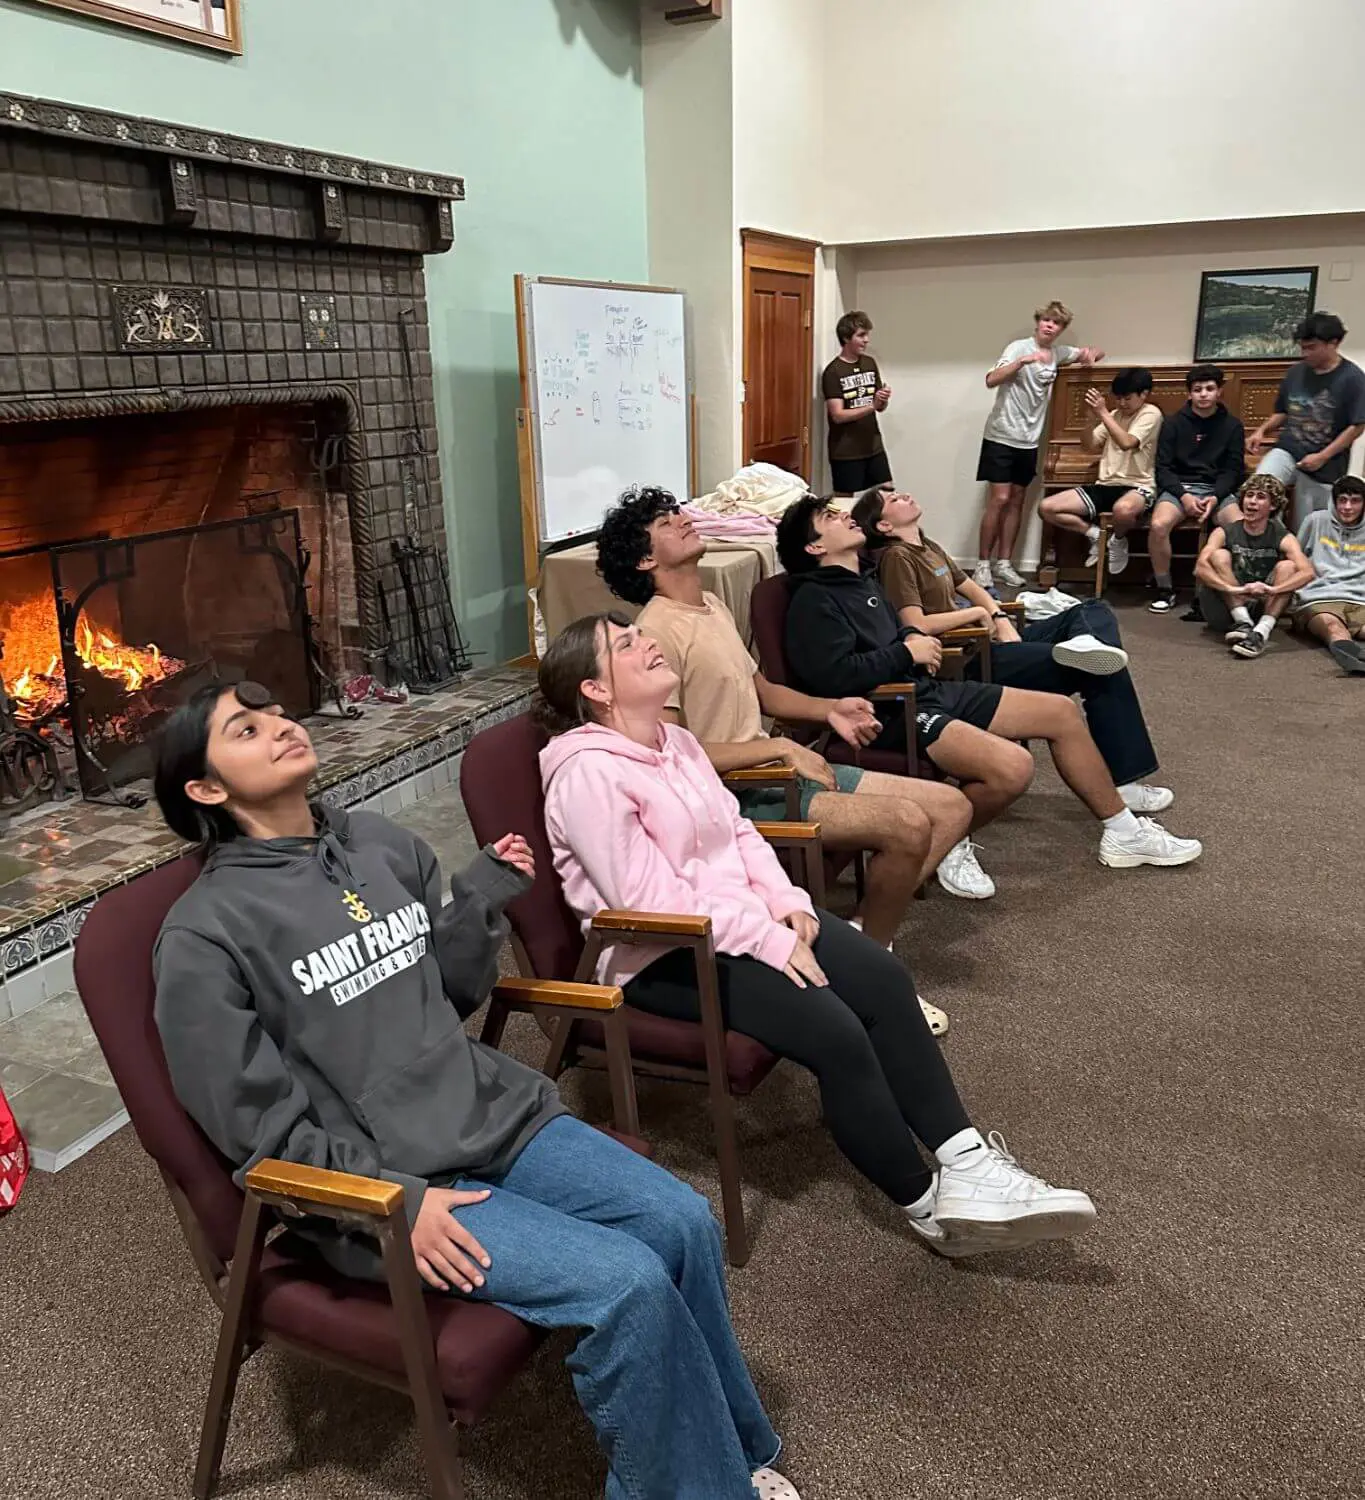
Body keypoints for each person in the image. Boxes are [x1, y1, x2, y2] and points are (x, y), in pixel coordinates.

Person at [151, 680, 801, 1500]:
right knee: (626, 1285)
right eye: (246, 730)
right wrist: (395, 1200)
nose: (281, 726)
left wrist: (477, 901)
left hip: (487, 1114)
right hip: (387, 1187)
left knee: (681, 1222)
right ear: (206, 789)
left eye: (276, 712)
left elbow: (451, 991)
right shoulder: (203, 935)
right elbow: (255, 1131)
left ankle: (730, 1456)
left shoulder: (378, 843)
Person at [538, 614, 1099, 1260]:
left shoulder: (676, 742)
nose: (647, 643)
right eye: (626, 644)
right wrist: (768, 939)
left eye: (640, 635)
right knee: (835, 1030)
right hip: (660, 952)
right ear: (596, 690)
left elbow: (738, 833)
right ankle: (930, 1209)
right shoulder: (586, 774)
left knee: (884, 980)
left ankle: (968, 1163)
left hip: (740, 921)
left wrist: (786, 901)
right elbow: (647, 902)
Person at [595, 486, 976, 934]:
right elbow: (670, 755)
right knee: (908, 823)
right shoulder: (656, 631)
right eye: (665, 523)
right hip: (736, 791)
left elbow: (764, 692)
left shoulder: (710, 605)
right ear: (645, 560)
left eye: (678, 513)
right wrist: (778, 748)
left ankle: (862, 934)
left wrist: (831, 709)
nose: (683, 519)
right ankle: (873, 945)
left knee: (953, 807)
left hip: (774, 770)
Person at [776, 494, 1203, 872]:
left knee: (1061, 712)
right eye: (829, 517)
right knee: (1013, 770)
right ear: (815, 546)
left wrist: (912, 639)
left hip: (928, 689)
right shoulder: (815, 599)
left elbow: (898, 630)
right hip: (891, 709)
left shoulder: (862, 579)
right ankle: (949, 838)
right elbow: (832, 676)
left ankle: (1124, 832)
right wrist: (907, 651)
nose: (844, 515)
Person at [852, 484, 1178, 826]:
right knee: (1101, 669)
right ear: (884, 525)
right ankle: (1123, 781)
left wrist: (999, 617)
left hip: (988, 637)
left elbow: (973, 588)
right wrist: (976, 614)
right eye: (893, 500)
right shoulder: (898, 558)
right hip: (965, 656)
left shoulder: (927, 545)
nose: (904, 495)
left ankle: (1086, 643)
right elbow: (915, 625)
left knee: (1093, 613)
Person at [976, 299, 1104, 590]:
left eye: (1056, 323)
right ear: (1038, 322)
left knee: (1017, 500)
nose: (1050, 326)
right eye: (1046, 320)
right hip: (1001, 435)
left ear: (1061, 329)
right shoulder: (1018, 348)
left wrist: (1091, 356)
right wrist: (1021, 363)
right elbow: (991, 379)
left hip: (1029, 441)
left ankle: (1004, 563)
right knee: (999, 499)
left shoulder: (1059, 353)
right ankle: (982, 565)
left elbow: (1095, 351)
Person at [1039, 368, 1163, 578]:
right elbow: (1089, 446)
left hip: (1138, 486)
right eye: (1118, 398)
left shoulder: (1151, 413)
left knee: (1123, 510)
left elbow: (1127, 443)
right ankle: (1096, 535)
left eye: (1127, 398)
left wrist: (1103, 413)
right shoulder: (1114, 415)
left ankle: (1118, 540)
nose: (1122, 403)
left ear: (1144, 394)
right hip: (1105, 485)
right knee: (1047, 508)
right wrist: (1090, 420)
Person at [1249, 312, 1365, 527]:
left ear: (1333, 343)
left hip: (1326, 463)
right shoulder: (1295, 372)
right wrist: (1261, 431)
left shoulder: (1353, 378)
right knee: (1260, 491)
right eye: (1303, 347)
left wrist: (1322, 456)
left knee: (1308, 525)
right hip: (1288, 450)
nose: (1305, 353)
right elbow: (1282, 412)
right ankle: (1269, 542)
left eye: (1311, 348)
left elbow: (1357, 426)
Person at [1147, 364, 1246, 613]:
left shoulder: (1232, 425)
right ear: (1189, 393)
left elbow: (1233, 470)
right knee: (1158, 525)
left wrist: (1215, 497)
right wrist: (1184, 496)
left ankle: (1235, 591)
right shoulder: (1173, 423)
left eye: (1209, 389)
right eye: (1197, 389)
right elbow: (1163, 468)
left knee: (1241, 527)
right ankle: (1164, 588)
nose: (1203, 394)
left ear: (1219, 391)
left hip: (1216, 489)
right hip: (1180, 489)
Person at [1192, 475, 1314, 660]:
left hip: (1263, 605)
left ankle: (1260, 633)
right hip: (1226, 607)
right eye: (1249, 495)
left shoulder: (1283, 536)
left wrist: (1274, 589)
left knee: (1288, 566)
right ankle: (1242, 621)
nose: (1252, 501)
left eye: (1260, 497)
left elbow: (1308, 572)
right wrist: (1232, 589)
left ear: (1273, 505)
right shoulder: (1224, 531)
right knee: (1218, 556)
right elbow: (1200, 568)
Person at [1291, 474, 1365, 673]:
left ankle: (1355, 653)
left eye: (1355, 501)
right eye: (1342, 500)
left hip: (1360, 600)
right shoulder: (1315, 521)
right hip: (1320, 598)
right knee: (1333, 626)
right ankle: (1352, 661)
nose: (1347, 507)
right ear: (1334, 501)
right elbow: (1294, 557)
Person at [822, 310, 892, 497]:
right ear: (846, 338)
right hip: (845, 451)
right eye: (861, 335)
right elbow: (837, 415)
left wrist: (882, 400)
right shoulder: (833, 372)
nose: (866, 340)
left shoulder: (869, 363)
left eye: (867, 335)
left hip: (873, 445)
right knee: (844, 500)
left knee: (888, 492)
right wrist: (872, 406)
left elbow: (880, 407)